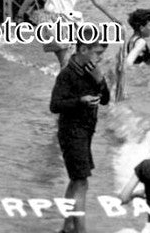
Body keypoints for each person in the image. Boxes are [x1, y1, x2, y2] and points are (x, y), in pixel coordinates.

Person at [50, 32, 111, 233]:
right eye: (97, 53)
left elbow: (105, 100)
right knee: (81, 181)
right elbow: (55, 105)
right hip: (71, 132)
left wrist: (100, 79)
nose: (100, 58)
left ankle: (67, 226)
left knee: (77, 180)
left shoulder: (91, 71)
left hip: (85, 133)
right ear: (83, 49)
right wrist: (80, 101)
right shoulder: (67, 74)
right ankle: (79, 230)